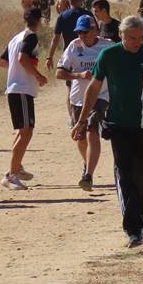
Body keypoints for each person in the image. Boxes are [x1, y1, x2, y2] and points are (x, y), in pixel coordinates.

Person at [73, 15, 143, 247]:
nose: (137, 42)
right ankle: (132, 230)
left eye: (140, 37)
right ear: (122, 36)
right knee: (125, 176)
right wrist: (82, 120)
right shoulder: (109, 55)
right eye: (132, 38)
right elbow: (93, 88)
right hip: (118, 126)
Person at [56, 15, 112, 191]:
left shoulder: (107, 46)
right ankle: (86, 164)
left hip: (100, 96)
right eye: (79, 32)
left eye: (85, 32)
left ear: (95, 30)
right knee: (80, 138)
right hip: (77, 98)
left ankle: (88, 175)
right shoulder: (73, 46)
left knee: (92, 130)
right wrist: (78, 75)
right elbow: (59, 73)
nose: (82, 36)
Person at [0, 7, 49, 190]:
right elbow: (22, 58)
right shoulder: (31, 36)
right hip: (22, 89)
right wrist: (37, 75)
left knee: (22, 131)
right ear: (39, 20)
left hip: (14, 88)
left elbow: (1, 62)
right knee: (26, 131)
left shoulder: (15, 38)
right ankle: (11, 175)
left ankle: (16, 168)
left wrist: (17, 71)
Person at [47, 0, 90, 125]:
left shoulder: (63, 16)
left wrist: (50, 56)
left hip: (70, 54)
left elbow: (55, 38)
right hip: (88, 54)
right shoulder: (87, 15)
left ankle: (72, 118)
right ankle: (88, 115)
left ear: (69, 1)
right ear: (80, 1)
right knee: (90, 84)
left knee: (70, 87)